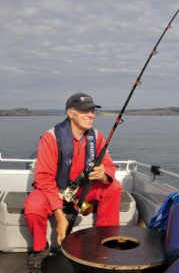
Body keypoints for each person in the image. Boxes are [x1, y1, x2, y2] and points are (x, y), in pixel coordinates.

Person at [23, 93, 122, 270]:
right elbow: (44, 179)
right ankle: (40, 249)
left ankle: (104, 240)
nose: (91, 115)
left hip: (82, 189)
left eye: (92, 111)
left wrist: (103, 174)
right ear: (70, 113)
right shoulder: (51, 137)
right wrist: (61, 219)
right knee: (33, 207)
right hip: (54, 189)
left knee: (114, 187)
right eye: (85, 111)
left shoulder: (96, 137)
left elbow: (109, 167)